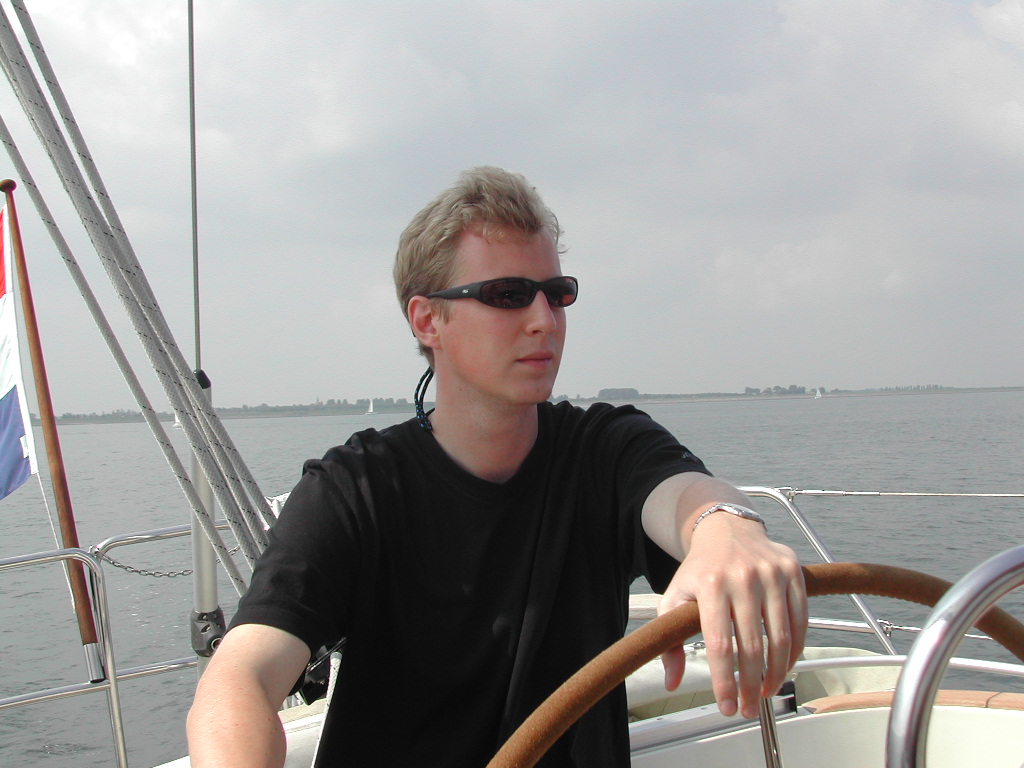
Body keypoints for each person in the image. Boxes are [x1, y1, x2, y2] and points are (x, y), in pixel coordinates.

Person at [187, 167, 807, 767]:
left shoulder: (604, 450)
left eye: (556, 294)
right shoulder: (358, 490)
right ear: (428, 320)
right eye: (507, 295)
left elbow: (682, 496)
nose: (545, 320)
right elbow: (239, 678)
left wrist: (726, 530)